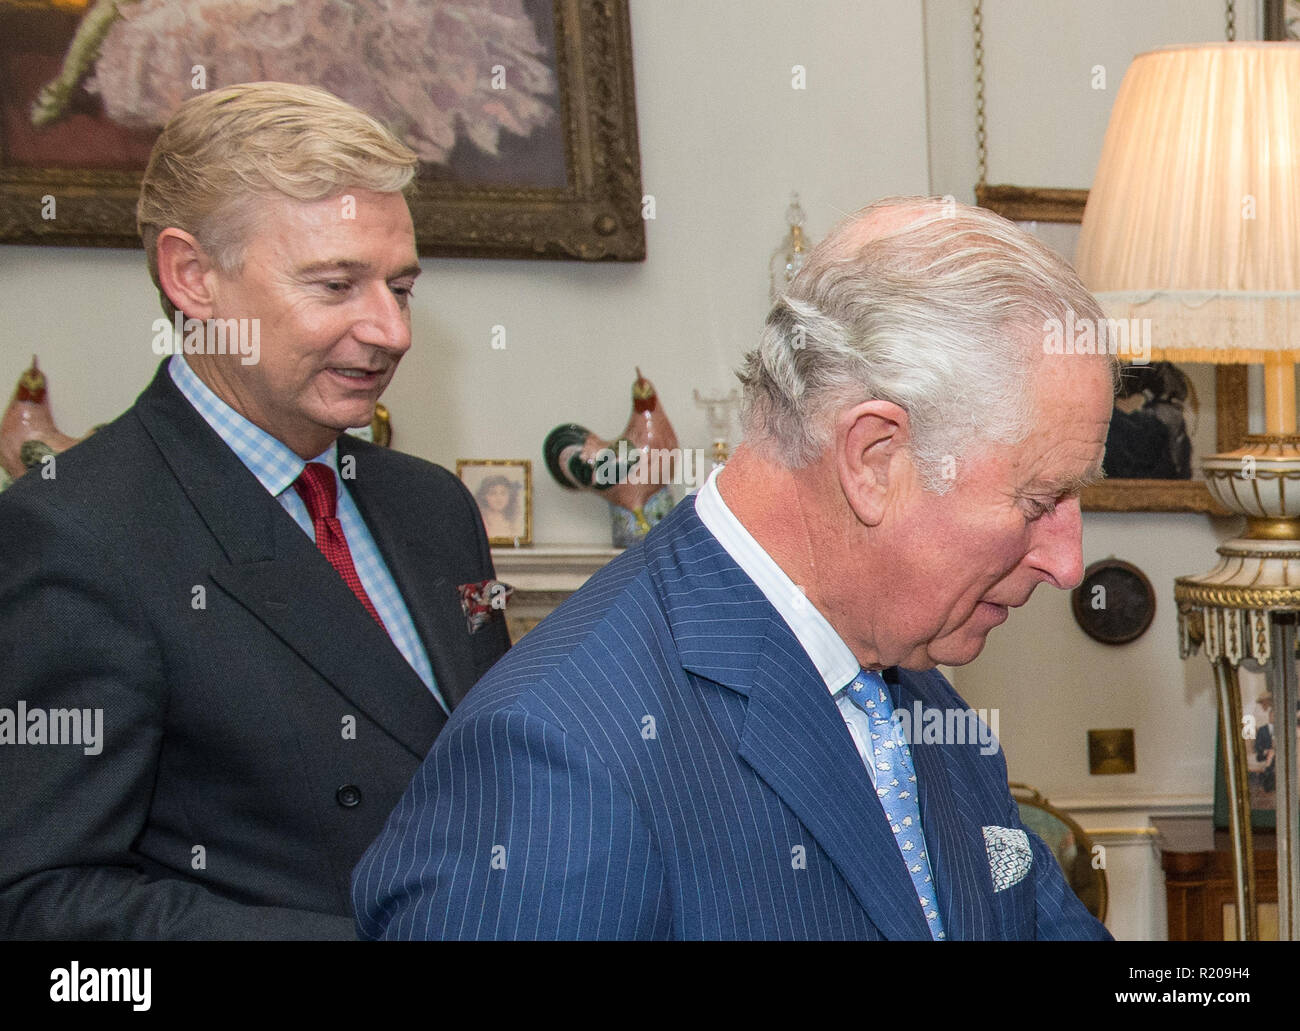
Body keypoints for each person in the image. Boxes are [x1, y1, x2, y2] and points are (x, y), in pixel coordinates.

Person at [353, 197, 1116, 941]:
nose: (1068, 561)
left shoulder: (912, 680)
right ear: (875, 458)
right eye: (1041, 497)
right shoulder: (559, 760)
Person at [0, 82, 510, 939]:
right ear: (193, 278)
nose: (391, 330)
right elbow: (40, 904)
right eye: (337, 284)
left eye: (402, 287)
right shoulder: (74, 532)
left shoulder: (434, 507)